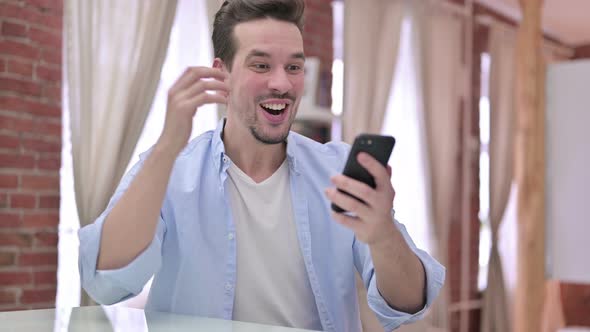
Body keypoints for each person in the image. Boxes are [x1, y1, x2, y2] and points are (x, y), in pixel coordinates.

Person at [78, 0, 445, 331]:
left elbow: (408, 306)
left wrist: (382, 233)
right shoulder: (170, 172)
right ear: (222, 73)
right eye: (261, 65)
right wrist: (168, 145)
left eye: (294, 66)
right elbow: (106, 282)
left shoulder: (337, 169)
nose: (282, 83)